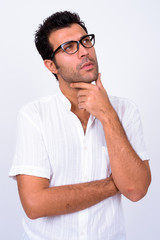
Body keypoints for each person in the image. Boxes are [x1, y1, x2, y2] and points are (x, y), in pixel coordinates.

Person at [9, 11, 151, 240]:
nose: (84, 51)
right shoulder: (34, 116)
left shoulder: (126, 111)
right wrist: (115, 184)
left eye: (85, 41)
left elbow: (135, 190)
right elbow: (34, 204)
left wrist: (107, 115)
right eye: (69, 47)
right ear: (51, 66)